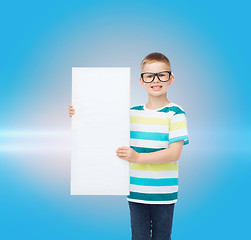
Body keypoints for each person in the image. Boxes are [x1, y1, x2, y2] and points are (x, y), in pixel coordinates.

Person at [68, 52, 189, 240]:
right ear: (141, 81)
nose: (155, 80)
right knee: (138, 237)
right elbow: (101, 121)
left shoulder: (175, 113)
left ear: (170, 78)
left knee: (162, 237)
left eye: (161, 75)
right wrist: (79, 112)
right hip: (136, 192)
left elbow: (174, 154)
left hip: (164, 193)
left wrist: (138, 157)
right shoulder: (131, 113)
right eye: (149, 76)